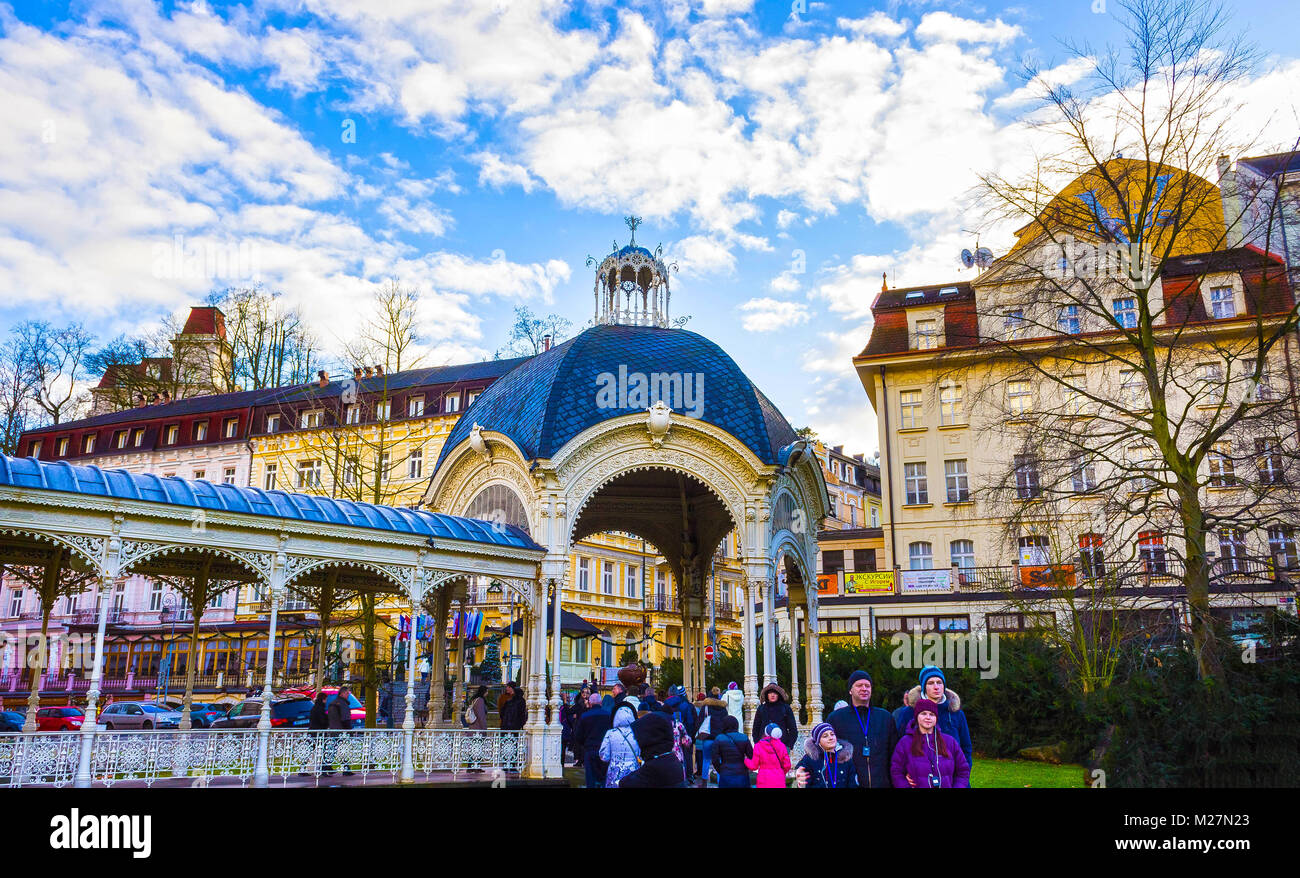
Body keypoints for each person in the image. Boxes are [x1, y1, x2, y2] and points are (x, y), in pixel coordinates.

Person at [892, 666, 973, 770]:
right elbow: (899, 747)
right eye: (930, 683)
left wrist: (963, 775)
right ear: (923, 686)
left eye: (939, 682)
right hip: (920, 777)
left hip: (952, 778)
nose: (936, 687)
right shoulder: (909, 712)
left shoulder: (955, 713)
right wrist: (905, 773)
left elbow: (966, 747)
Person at [826, 670, 897, 788]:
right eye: (859, 685)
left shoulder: (885, 717)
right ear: (850, 690)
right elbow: (825, 750)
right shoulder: (836, 718)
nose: (864, 689)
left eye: (867, 686)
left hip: (881, 783)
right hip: (850, 783)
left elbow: (895, 753)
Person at [890, 699, 970, 789]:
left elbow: (963, 771)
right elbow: (896, 772)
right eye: (923, 713)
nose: (928, 717)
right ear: (917, 716)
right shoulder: (905, 742)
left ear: (936, 718)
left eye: (932, 714)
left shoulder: (950, 742)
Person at [619, 713, 687, 788]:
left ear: (648, 738)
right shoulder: (670, 758)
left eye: (637, 738)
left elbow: (625, 784)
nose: (635, 740)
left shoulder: (654, 767)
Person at [793, 722, 858, 788]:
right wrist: (798, 773)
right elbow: (801, 776)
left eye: (832, 734)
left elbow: (852, 784)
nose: (830, 738)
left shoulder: (846, 758)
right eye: (825, 736)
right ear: (818, 742)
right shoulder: (810, 759)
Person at [598, 702, 641, 787]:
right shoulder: (637, 733)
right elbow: (642, 754)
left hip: (615, 772)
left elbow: (604, 756)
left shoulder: (610, 733)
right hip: (633, 772)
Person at [575, 693, 612, 788]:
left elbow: (578, 735)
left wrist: (585, 744)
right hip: (604, 750)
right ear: (600, 702)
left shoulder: (585, 716)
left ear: (590, 703)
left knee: (590, 777)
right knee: (604, 777)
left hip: (590, 748)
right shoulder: (608, 715)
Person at [662, 685, 697, 783]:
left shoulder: (665, 704)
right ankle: (688, 776)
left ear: (669, 693)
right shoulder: (685, 705)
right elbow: (690, 721)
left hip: (669, 732)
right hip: (683, 732)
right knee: (687, 756)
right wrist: (689, 735)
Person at [709, 715, 754, 788]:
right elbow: (751, 756)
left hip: (726, 773)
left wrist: (720, 770)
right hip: (742, 773)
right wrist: (746, 767)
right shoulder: (744, 737)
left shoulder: (719, 738)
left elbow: (714, 758)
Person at [745, 722, 791, 788]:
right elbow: (787, 765)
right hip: (779, 780)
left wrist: (745, 760)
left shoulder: (759, 746)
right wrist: (780, 772)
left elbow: (753, 766)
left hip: (763, 780)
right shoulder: (782, 746)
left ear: (766, 733)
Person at [697, 689, 728, 785]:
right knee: (719, 760)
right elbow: (726, 723)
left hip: (708, 738)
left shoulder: (705, 707)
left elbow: (699, 722)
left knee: (706, 760)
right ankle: (720, 782)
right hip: (719, 739)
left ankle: (704, 782)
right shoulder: (723, 709)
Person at [326, 685, 355, 776]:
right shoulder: (343, 704)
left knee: (332, 749)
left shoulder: (333, 703)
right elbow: (345, 718)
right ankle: (346, 769)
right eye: (347, 693)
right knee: (343, 750)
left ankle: (326, 766)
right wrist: (349, 731)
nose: (348, 695)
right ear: (342, 694)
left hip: (333, 730)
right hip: (341, 730)